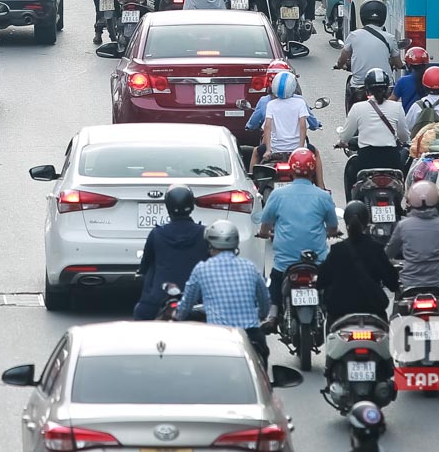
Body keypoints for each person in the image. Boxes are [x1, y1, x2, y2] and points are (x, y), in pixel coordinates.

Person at [175, 221, 273, 370]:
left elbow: (186, 305)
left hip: (220, 337)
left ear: (210, 244)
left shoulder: (202, 269)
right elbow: (264, 300)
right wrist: (261, 314)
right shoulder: (250, 267)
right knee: (263, 359)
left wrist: (178, 316)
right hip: (251, 335)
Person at [256, 151, 340, 291]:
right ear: (313, 170)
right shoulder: (323, 196)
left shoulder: (277, 195)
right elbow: (333, 227)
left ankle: (275, 310)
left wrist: (264, 233)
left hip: (284, 264)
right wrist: (331, 232)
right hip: (316, 261)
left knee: (274, 294)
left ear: (291, 169)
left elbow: (265, 225)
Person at [132, 186, 208, 319]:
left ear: (167, 207)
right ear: (191, 205)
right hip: (198, 299)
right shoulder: (204, 233)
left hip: (159, 298)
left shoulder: (157, 234)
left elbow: (145, 264)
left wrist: (141, 272)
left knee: (140, 316)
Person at [320, 201, 398, 327]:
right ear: (367, 222)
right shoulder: (376, 249)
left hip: (339, 312)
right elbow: (392, 283)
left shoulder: (337, 250)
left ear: (346, 223)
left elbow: (321, 281)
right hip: (373, 310)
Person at [338, 68, 412, 200]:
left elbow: (345, 136)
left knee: (350, 171)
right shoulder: (397, 107)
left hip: (366, 160)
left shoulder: (357, 108)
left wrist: (342, 142)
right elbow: (404, 137)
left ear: (367, 89)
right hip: (392, 160)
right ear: (388, 89)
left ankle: (352, 205)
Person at [386, 181, 439, 294]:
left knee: (399, 306)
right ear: (436, 200)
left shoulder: (403, 225)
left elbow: (388, 253)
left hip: (409, 282)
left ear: (410, 201)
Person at [335, 0, 400, 106]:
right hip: (386, 86)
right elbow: (398, 63)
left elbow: (343, 57)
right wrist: (400, 65)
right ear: (383, 16)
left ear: (363, 16)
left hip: (359, 87)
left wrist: (339, 65)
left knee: (352, 113)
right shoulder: (390, 38)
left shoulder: (353, 35)